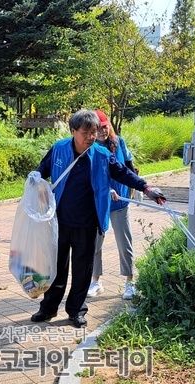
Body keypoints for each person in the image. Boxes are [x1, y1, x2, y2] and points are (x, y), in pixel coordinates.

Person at [30, 109, 166, 328]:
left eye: (94, 132)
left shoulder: (101, 155)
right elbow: (41, 171)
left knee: (83, 270)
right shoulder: (58, 149)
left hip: (88, 222)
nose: (91, 137)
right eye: (85, 132)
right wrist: (35, 178)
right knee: (57, 268)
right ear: (73, 131)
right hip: (58, 222)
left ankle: (76, 310)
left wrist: (146, 187)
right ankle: (48, 309)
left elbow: (123, 172)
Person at [87, 110, 138, 300]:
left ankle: (130, 282)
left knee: (125, 243)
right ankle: (96, 281)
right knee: (95, 244)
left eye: (105, 126)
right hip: (100, 203)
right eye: (98, 128)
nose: (103, 131)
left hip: (121, 203)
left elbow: (129, 167)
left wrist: (137, 187)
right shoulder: (90, 149)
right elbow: (91, 176)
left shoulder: (119, 142)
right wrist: (106, 189)